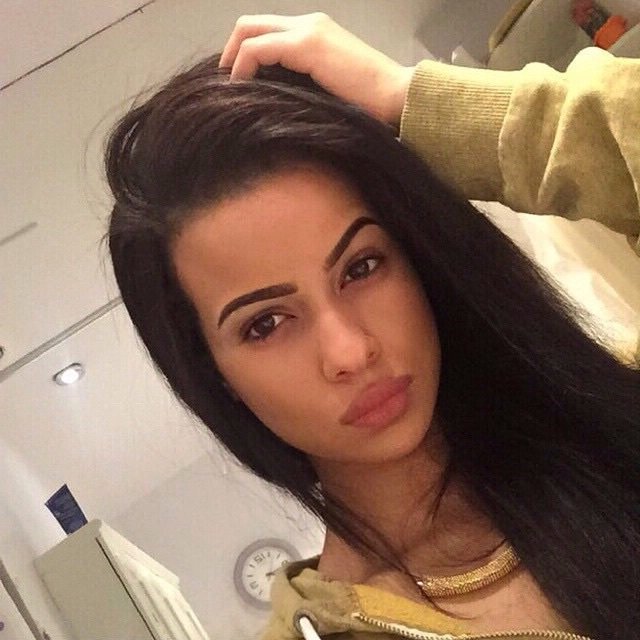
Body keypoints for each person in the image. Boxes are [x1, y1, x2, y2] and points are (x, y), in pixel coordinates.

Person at [105, 15, 640, 640]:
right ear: (214, 376)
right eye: (266, 324)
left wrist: (415, 101)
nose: (350, 351)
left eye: (361, 268)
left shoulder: (608, 417)